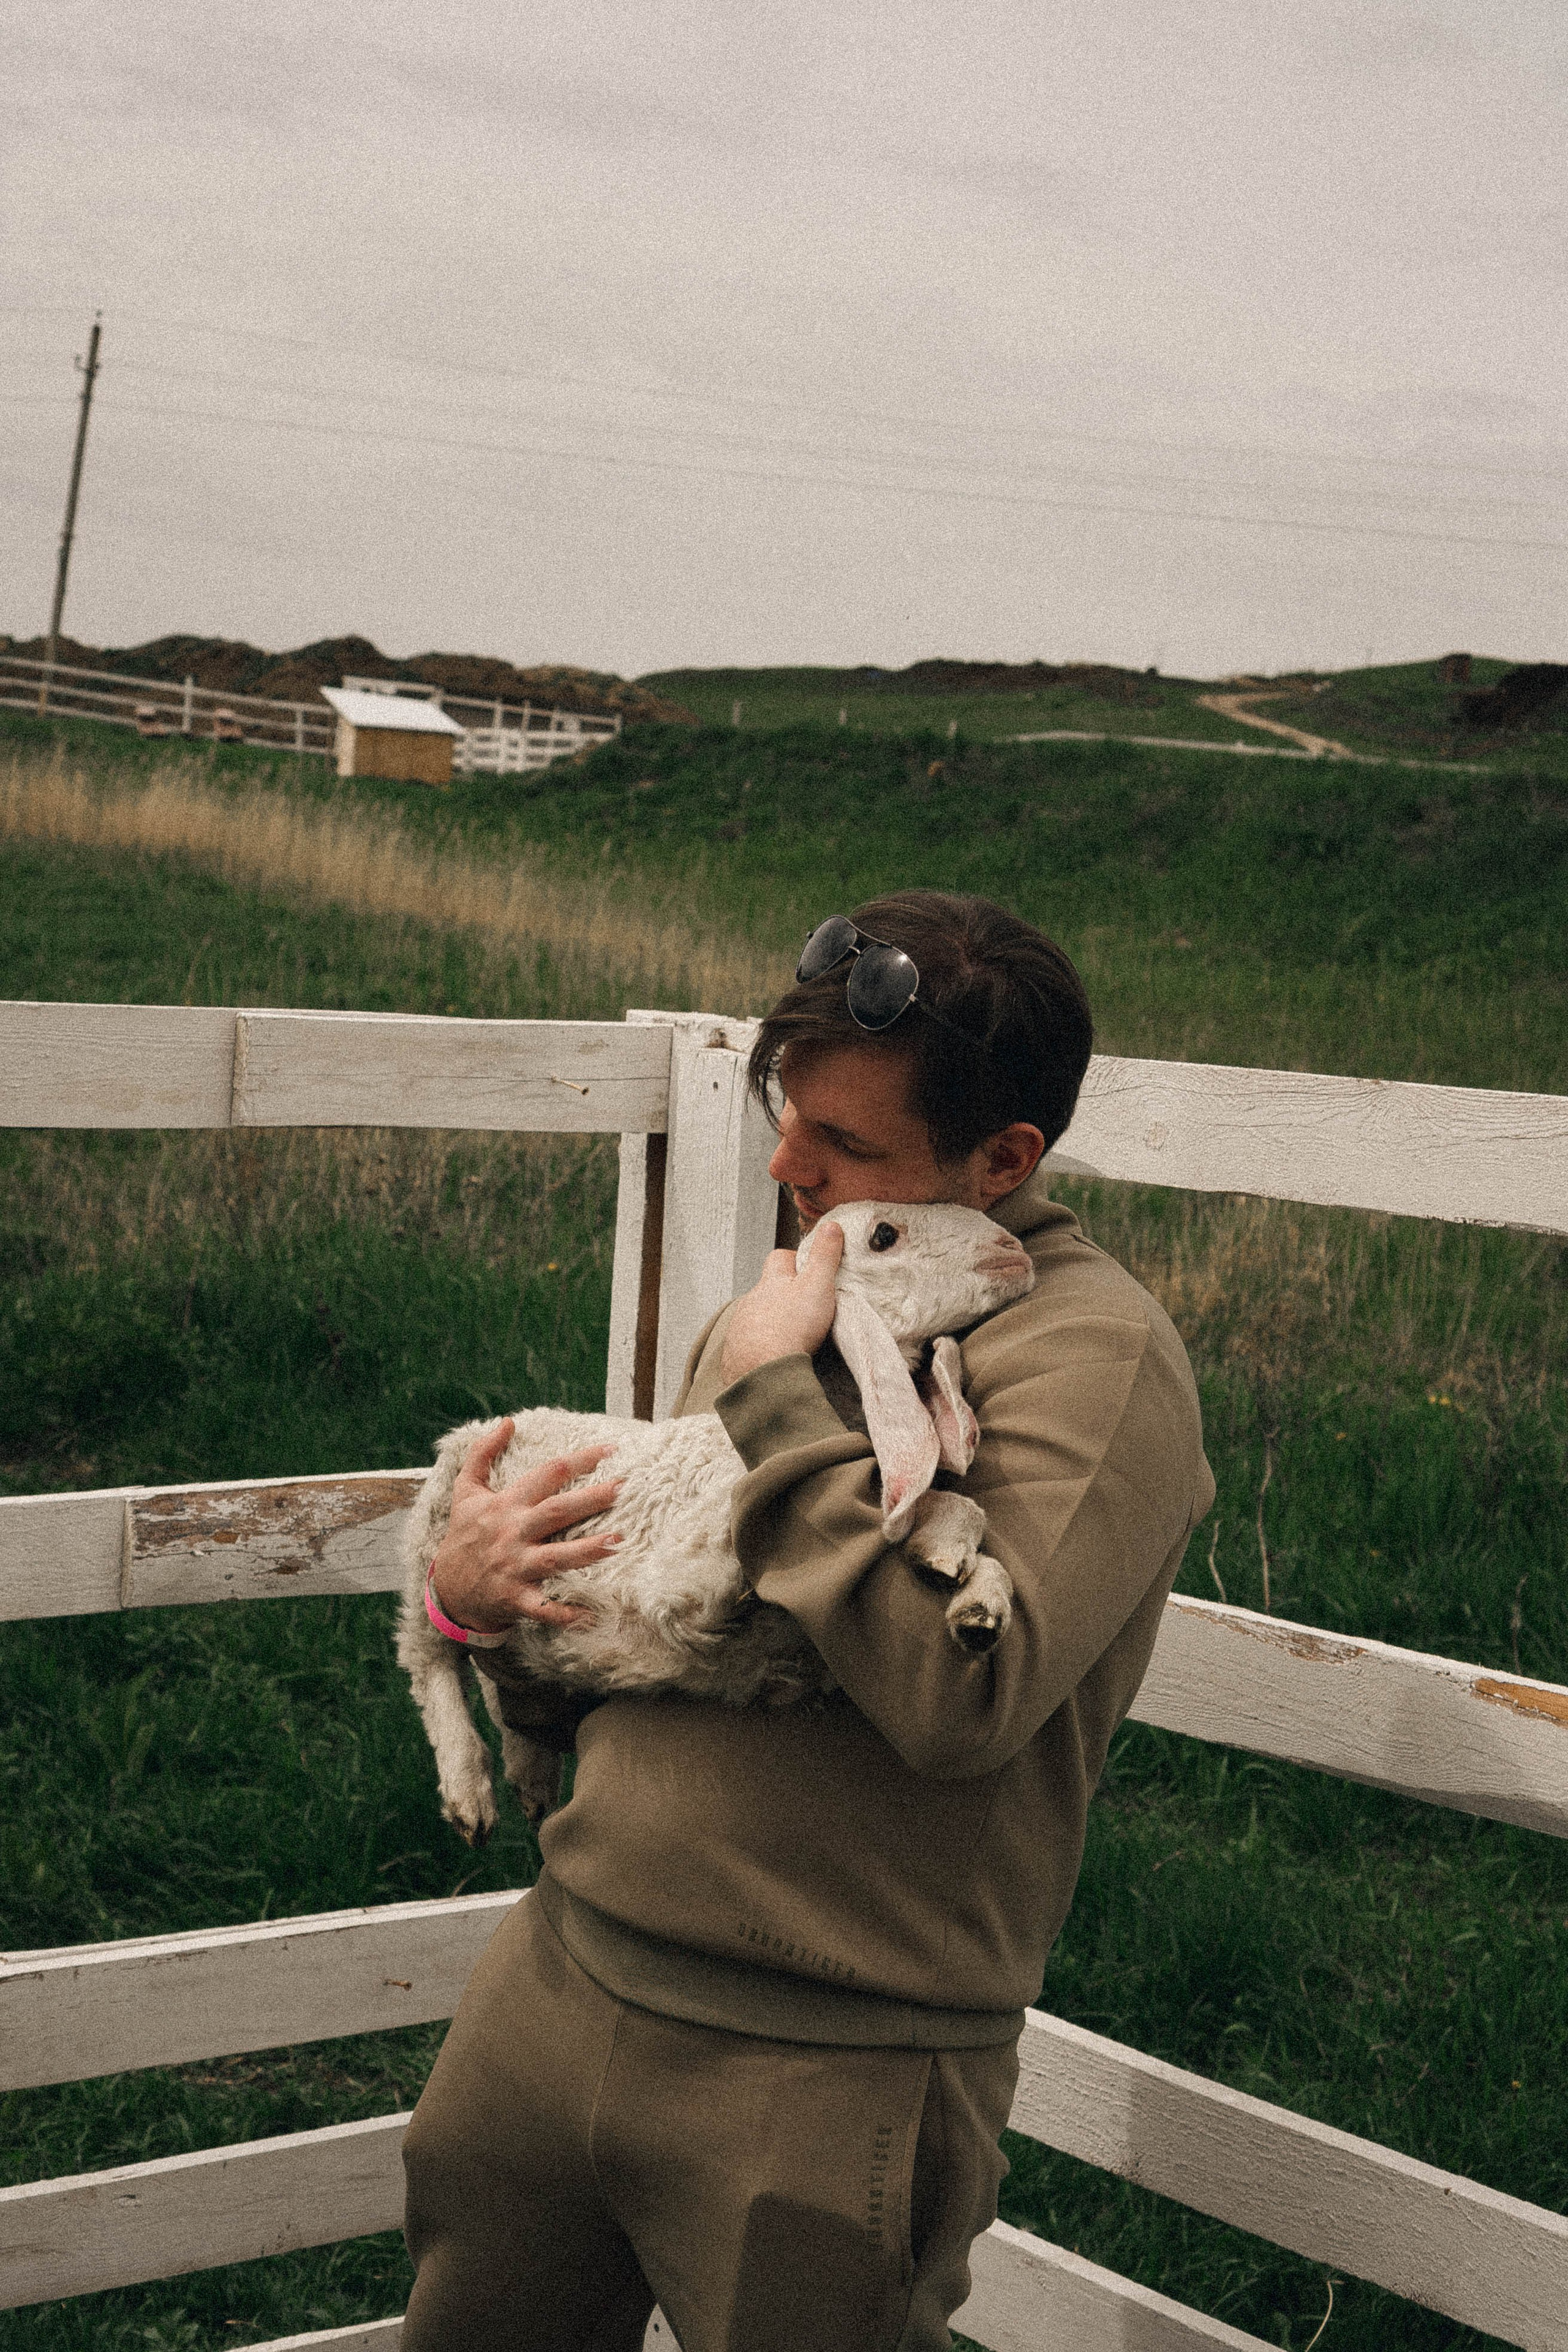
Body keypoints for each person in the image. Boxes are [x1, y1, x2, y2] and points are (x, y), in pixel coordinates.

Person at [399, 889, 1214, 2352]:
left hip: (826, 2069)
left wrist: (775, 1394)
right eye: (789, 1120)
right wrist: (480, 1618)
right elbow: (657, 1629)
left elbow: (958, 1699)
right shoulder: (814, 1295)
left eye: (840, 1145)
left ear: (1006, 1158)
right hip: (561, 1979)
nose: (784, 1168)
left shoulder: (1095, 1360)